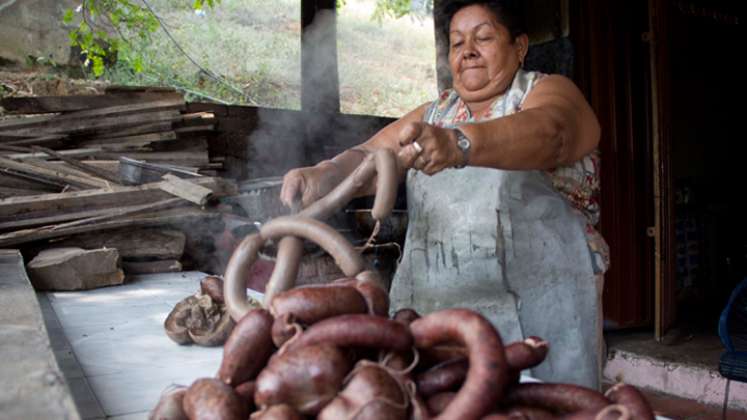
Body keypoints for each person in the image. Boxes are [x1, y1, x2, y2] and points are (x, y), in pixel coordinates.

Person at [280, 0, 609, 389]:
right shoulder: (436, 114)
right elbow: (372, 157)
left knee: (539, 406)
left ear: (519, 47)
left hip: (540, 315)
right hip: (435, 313)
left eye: (483, 37)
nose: (467, 50)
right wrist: (326, 173)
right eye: (456, 43)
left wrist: (459, 145)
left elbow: (553, 133)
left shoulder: (547, 92)